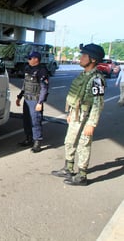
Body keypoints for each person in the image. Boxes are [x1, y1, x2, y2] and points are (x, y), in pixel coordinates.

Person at [51, 43, 105, 186]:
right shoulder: (84, 74)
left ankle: (82, 176)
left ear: (93, 59)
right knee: (69, 141)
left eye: (84, 55)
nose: (80, 58)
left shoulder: (97, 79)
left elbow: (98, 103)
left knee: (83, 145)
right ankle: (68, 168)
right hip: (76, 114)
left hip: (86, 116)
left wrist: (92, 123)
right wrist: (70, 112)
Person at [16, 51, 49, 153]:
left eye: (30, 58)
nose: (28, 60)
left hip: (35, 100)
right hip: (27, 99)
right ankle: (28, 139)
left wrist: (40, 102)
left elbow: (44, 88)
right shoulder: (28, 69)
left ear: (36, 59)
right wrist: (19, 96)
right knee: (27, 120)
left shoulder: (42, 71)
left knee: (35, 121)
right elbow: (25, 84)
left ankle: (37, 142)